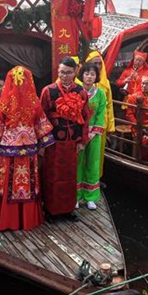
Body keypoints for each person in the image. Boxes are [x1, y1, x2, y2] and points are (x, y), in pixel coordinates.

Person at [0, 66, 54, 230]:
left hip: (9, 149)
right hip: (29, 148)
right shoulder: (34, 102)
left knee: (8, 183)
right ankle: (28, 219)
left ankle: (7, 219)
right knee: (28, 183)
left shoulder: (5, 102)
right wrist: (43, 143)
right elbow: (41, 124)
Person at [40, 57, 89, 220]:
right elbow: (41, 117)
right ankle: (50, 210)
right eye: (61, 72)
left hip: (71, 140)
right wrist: (41, 142)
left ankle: (68, 209)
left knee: (70, 175)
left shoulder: (81, 91)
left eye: (68, 72)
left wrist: (83, 140)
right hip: (53, 141)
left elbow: (85, 116)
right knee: (52, 174)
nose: (64, 76)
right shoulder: (48, 90)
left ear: (75, 72)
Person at [76, 64, 106, 210]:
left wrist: (94, 131)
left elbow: (101, 113)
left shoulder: (100, 93)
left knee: (93, 163)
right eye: (87, 73)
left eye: (92, 74)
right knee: (77, 163)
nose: (89, 76)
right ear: (81, 75)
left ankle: (90, 197)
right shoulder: (76, 91)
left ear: (96, 76)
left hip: (94, 133)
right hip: (79, 133)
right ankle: (76, 195)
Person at [85, 50, 115, 178]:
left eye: (99, 63)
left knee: (98, 153)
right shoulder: (82, 81)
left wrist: (110, 124)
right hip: (86, 122)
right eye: (94, 63)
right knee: (84, 152)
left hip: (101, 123)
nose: (97, 66)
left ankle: (96, 178)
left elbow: (109, 104)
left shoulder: (105, 82)